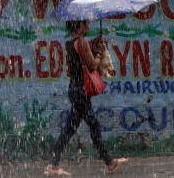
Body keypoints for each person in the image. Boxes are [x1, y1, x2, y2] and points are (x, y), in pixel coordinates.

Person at [44, 20, 128, 176]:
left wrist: (96, 44)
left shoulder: (71, 43)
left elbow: (81, 60)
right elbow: (92, 65)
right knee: (87, 127)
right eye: (86, 25)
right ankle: (108, 162)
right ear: (79, 25)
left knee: (73, 128)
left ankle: (55, 165)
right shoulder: (81, 42)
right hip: (82, 91)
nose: (89, 27)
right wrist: (100, 52)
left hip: (75, 90)